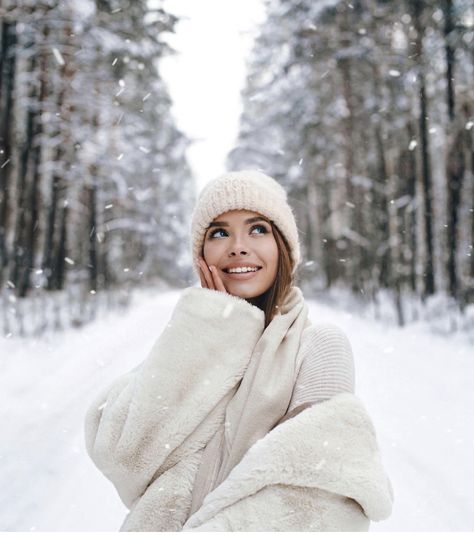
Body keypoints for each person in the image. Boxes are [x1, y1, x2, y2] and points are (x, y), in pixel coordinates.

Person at [84, 170, 393, 531]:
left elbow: (319, 504)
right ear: (202, 254)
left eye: (258, 229)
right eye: (219, 232)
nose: (238, 246)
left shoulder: (319, 347)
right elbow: (123, 459)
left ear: (284, 248)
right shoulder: (190, 340)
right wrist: (210, 326)